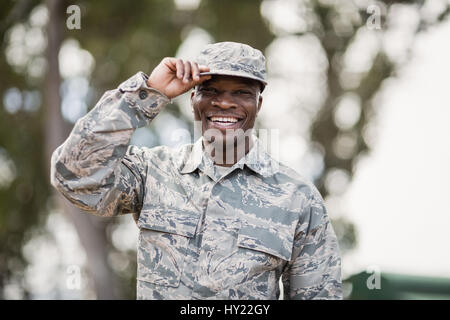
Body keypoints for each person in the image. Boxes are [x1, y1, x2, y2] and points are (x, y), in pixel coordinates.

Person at [50, 41, 342, 300]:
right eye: (211, 90)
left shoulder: (298, 198)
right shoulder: (153, 172)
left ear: (258, 104)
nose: (225, 102)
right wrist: (146, 93)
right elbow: (74, 177)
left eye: (241, 92)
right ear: (193, 99)